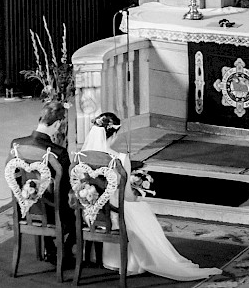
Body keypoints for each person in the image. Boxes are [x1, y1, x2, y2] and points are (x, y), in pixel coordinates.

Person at [80, 112, 222, 281]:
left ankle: (102, 258)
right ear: (115, 133)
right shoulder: (120, 159)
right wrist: (139, 198)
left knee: (136, 209)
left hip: (88, 214)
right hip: (114, 215)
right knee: (142, 209)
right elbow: (127, 197)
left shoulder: (81, 156)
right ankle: (140, 260)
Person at [8, 100, 75, 265]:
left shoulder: (16, 145)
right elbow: (65, 188)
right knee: (78, 212)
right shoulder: (58, 152)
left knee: (43, 195)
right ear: (58, 124)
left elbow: (15, 177)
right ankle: (65, 252)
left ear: (40, 119)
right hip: (53, 214)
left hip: (27, 207)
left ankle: (50, 248)